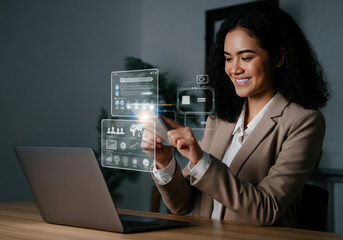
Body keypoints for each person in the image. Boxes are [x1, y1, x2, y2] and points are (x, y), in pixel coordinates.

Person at [141, 4, 329, 227]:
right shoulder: (219, 120)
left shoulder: (304, 122)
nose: (234, 69)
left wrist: (202, 161)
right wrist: (164, 161)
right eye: (228, 58)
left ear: (278, 58)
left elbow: (266, 210)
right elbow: (182, 205)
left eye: (246, 58)